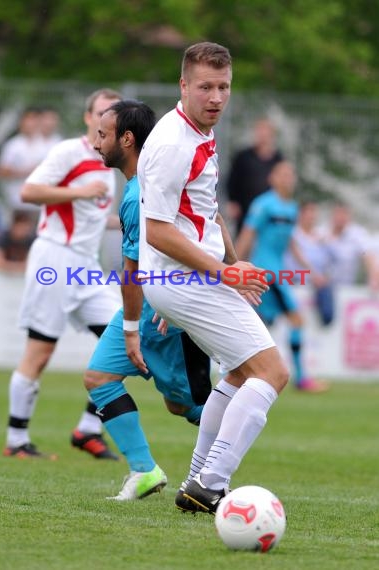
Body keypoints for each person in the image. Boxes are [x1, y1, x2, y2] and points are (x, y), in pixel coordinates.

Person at [137, 41, 289, 514]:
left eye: (223, 86)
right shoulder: (171, 144)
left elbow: (203, 214)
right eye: (205, 87)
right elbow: (158, 232)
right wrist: (220, 273)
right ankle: (211, 484)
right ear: (183, 85)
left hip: (186, 281)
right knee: (272, 373)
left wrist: (232, 264)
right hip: (184, 279)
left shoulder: (199, 131)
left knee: (243, 373)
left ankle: (197, 481)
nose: (216, 97)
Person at [86, 99, 212, 500]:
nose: (95, 143)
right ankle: (144, 470)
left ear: (126, 138)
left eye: (103, 135)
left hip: (160, 311)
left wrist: (135, 328)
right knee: (99, 378)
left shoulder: (139, 193)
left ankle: (232, 436)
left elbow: (135, 271)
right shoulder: (139, 186)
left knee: (187, 405)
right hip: (141, 307)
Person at [3, 88, 123, 460]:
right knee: (40, 352)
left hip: (87, 266)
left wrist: (128, 224)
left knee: (123, 340)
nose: (106, 120)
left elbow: (93, 217)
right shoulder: (69, 152)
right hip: (54, 259)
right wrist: (79, 192)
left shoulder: (111, 163)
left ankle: (87, 430)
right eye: (101, 112)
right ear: (89, 117)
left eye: (113, 114)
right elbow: (29, 191)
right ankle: (16, 440)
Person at [236, 161, 329, 392]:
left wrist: (312, 271)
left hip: (278, 274)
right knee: (295, 320)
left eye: (291, 174)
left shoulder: (292, 208)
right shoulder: (263, 205)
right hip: (266, 274)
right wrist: (232, 267)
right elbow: (248, 235)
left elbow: (290, 244)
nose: (288, 178)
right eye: (283, 174)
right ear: (272, 178)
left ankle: (241, 376)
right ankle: (301, 379)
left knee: (259, 326)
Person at [225, 118, 283, 234]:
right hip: (246, 209)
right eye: (260, 131)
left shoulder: (278, 159)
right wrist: (232, 201)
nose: (263, 136)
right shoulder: (243, 156)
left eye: (266, 132)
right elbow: (232, 180)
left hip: (270, 211)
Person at [284, 200, 335, 326]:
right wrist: (313, 274)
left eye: (314, 212)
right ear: (301, 214)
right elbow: (297, 255)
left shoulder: (321, 236)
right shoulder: (292, 233)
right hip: (295, 280)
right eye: (309, 211)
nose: (312, 215)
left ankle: (326, 320)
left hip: (315, 284)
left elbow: (328, 262)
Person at [323, 202, 379, 289]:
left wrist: (373, 277)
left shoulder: (356, 234)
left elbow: (368, 255)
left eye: (344, 213)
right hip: (320, 286)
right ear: (332, 215)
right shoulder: (322, 232)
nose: (341, 217)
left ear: (349, 216)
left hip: (345, 288)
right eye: (338, 213)